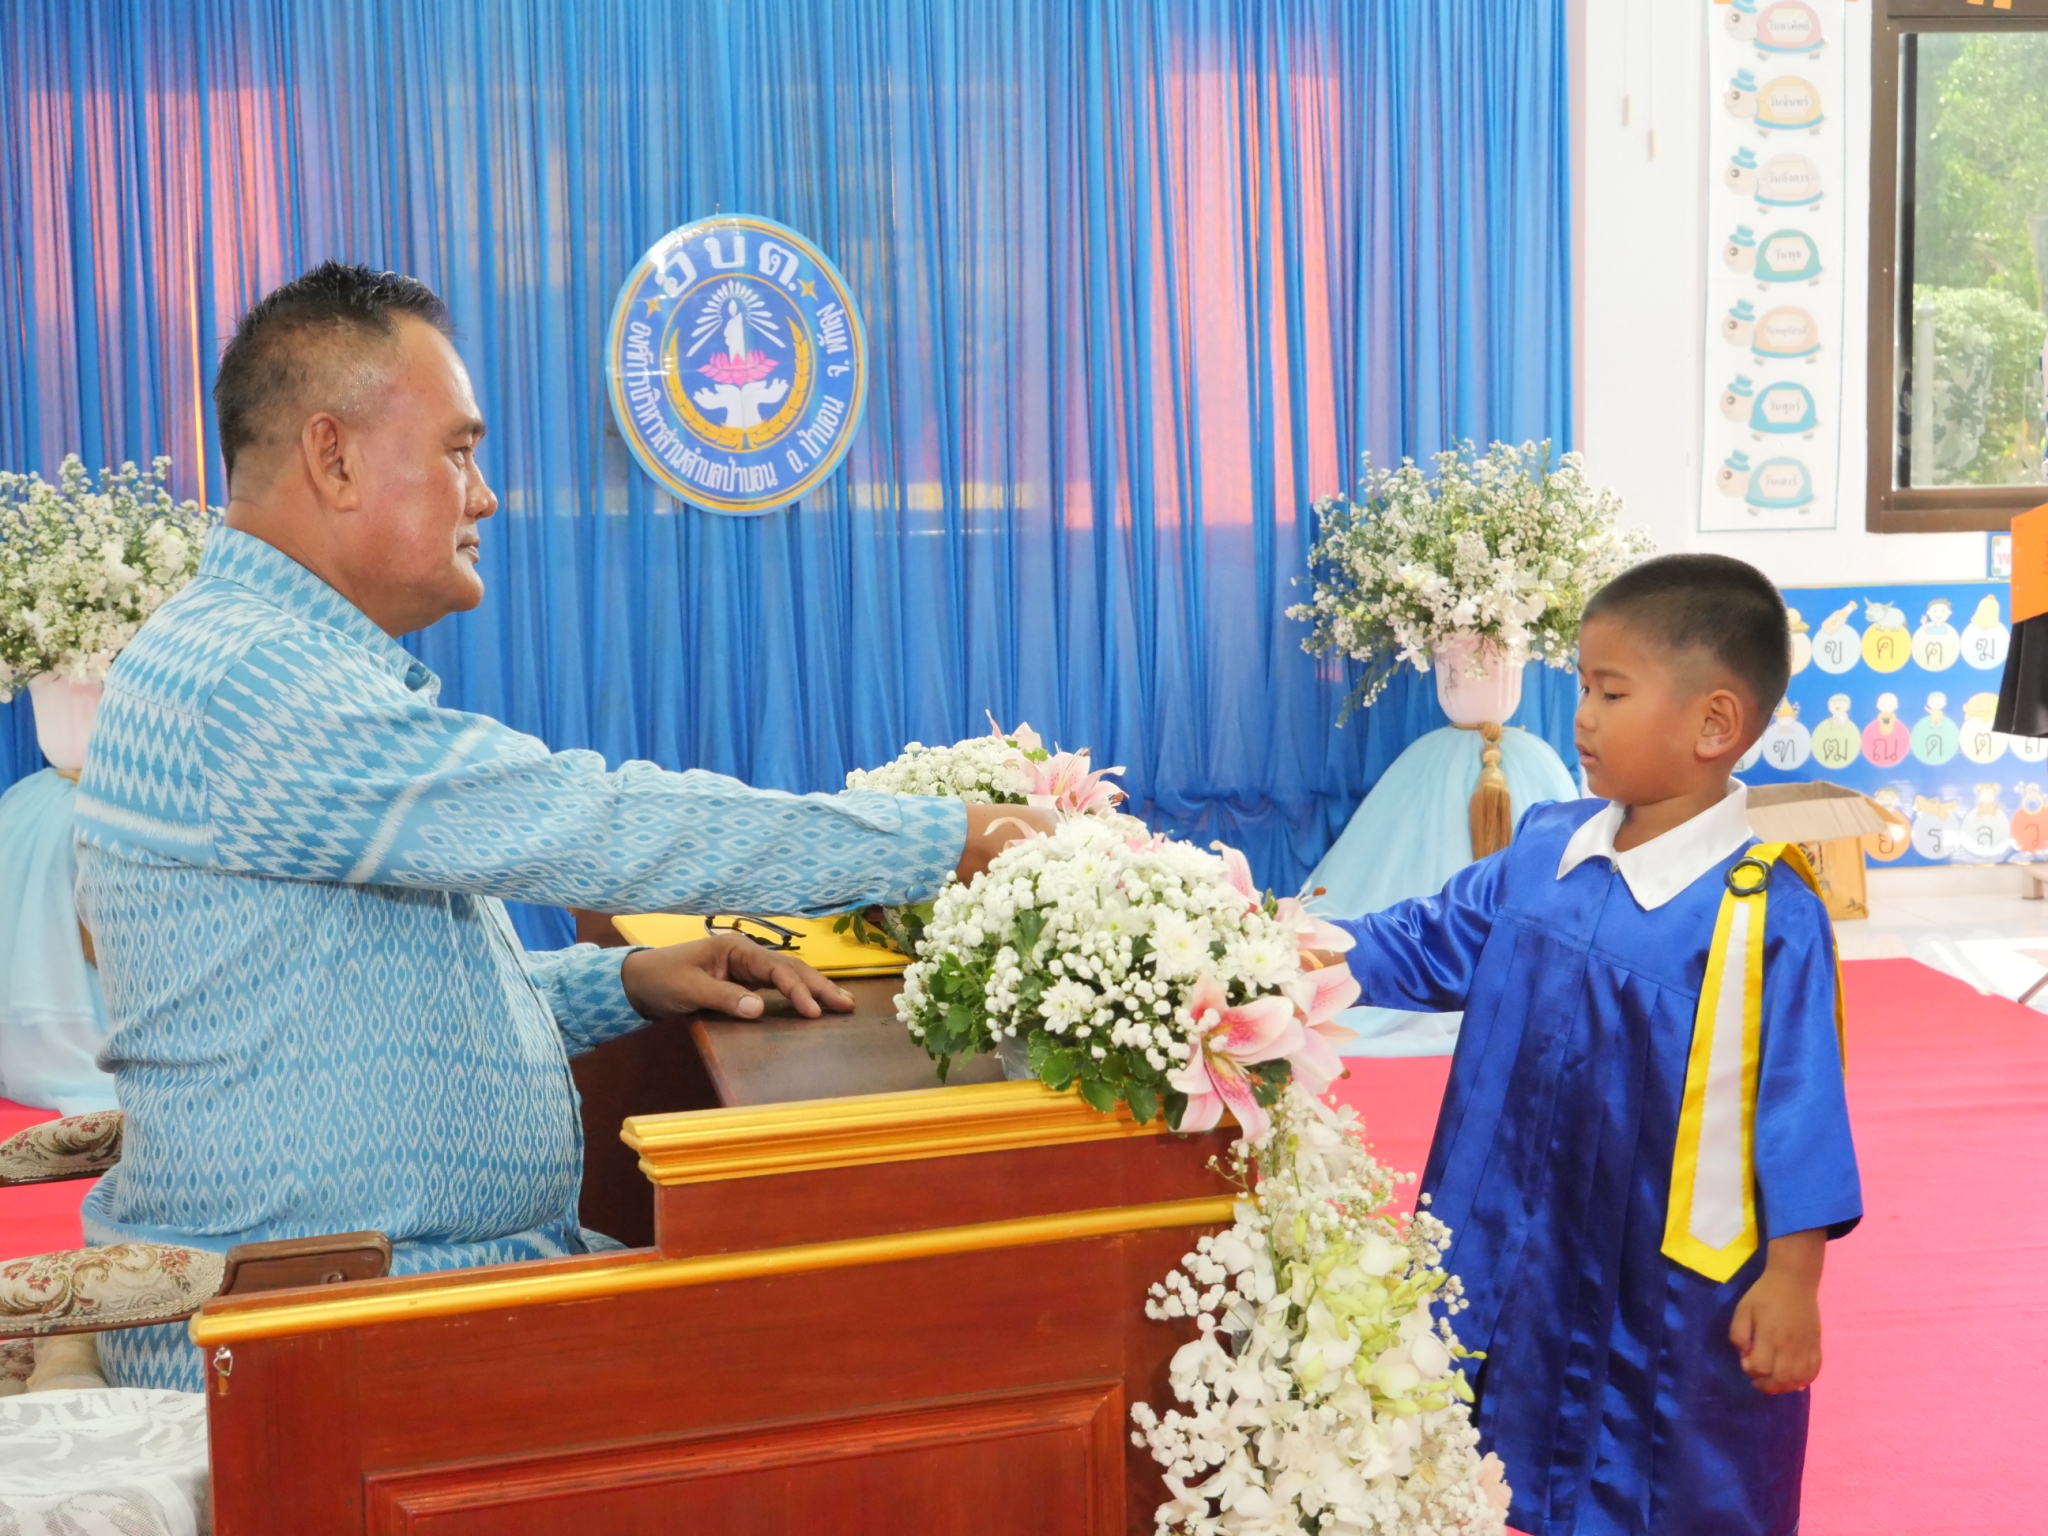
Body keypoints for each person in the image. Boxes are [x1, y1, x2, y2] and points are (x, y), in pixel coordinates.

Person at [71, 263, 1050, 1392]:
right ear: (333, 459)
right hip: (327, 1339)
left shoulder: (254, 653)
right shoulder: (260, 680)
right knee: (875, 1354)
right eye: (457, 452)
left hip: (384, 1296)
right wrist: (944, 841)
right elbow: (597, 822)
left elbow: (361, 996)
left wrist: (626, 981)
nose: (484, 497)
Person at [1328, 554, 1859, 1536]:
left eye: (1610, 693)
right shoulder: (1546, 847)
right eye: (1580, 685)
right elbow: (1426, 940)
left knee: (1658, 1470)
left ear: (1713, 724)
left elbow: (1799, 1111)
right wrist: (1279, 951)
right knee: (1498, 1443)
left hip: (1664, 1274)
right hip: (1517, 1230)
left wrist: (1793, 1280)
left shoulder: (1761, 911)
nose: (1581, 717)